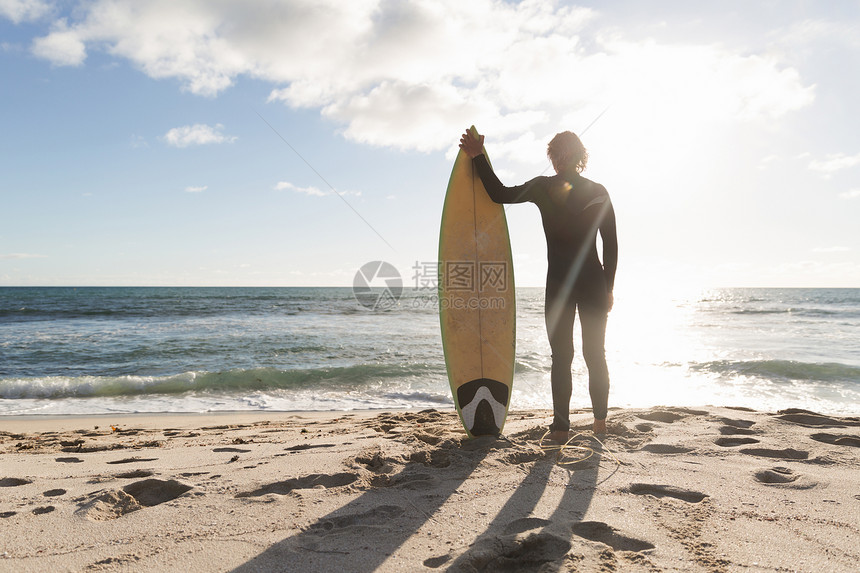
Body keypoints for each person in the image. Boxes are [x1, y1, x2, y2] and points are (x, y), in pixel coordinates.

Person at [458, 129, 617, 439]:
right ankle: (590, 425)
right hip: (591, 282)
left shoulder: (545, 188)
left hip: (562, 283)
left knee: (571, 355)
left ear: (567, 157)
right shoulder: (597, 191)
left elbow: (499, 193)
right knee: (589, 354)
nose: (556, 160)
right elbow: (610, 246)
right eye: (554, 154)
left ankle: (568, 427)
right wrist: (608, 286)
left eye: (558, 154)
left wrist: (478, 158)